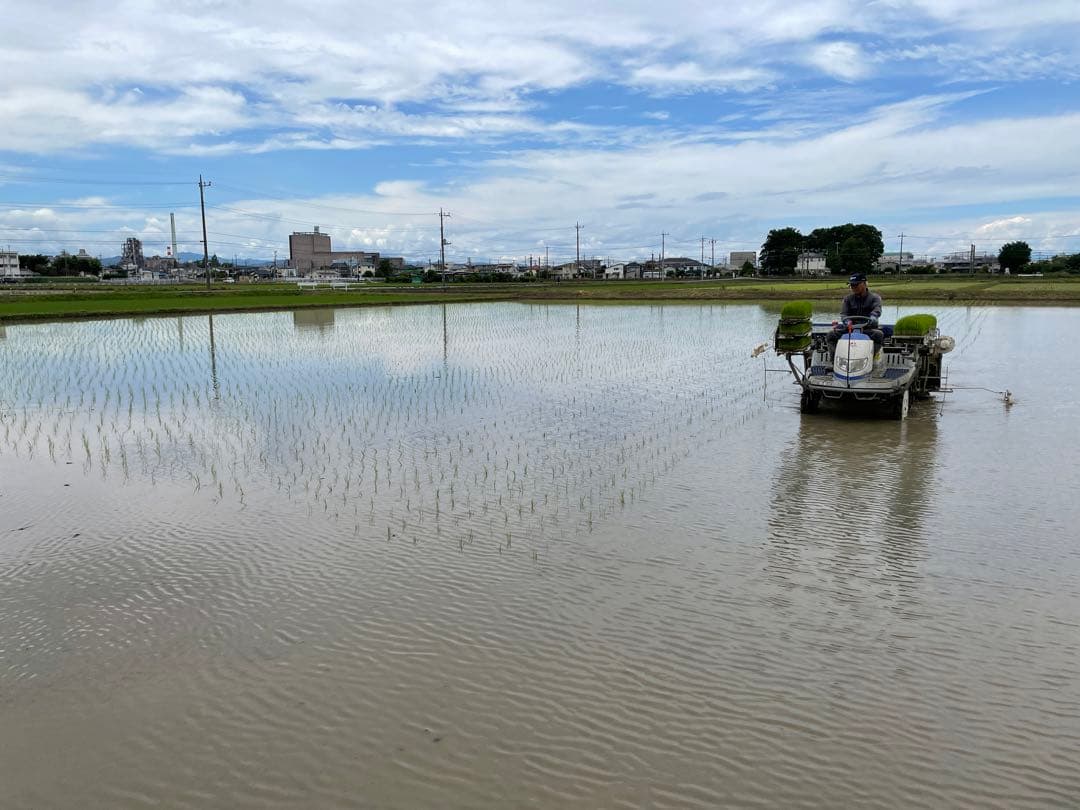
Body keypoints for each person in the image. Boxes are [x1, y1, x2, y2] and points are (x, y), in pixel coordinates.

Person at [828, 272, 883, 360]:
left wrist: (873, 317)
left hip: (867, 328)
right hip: (850, 328)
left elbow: (877, 310)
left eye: (856, 285)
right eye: (851, 285)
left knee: (879, 335)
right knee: (831, 335)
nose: (853, 287)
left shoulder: (875, 298)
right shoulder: (847, 299)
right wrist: (847, 321)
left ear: (865, 284)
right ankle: (834, 360)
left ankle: (871, 359)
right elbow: (844, 314)